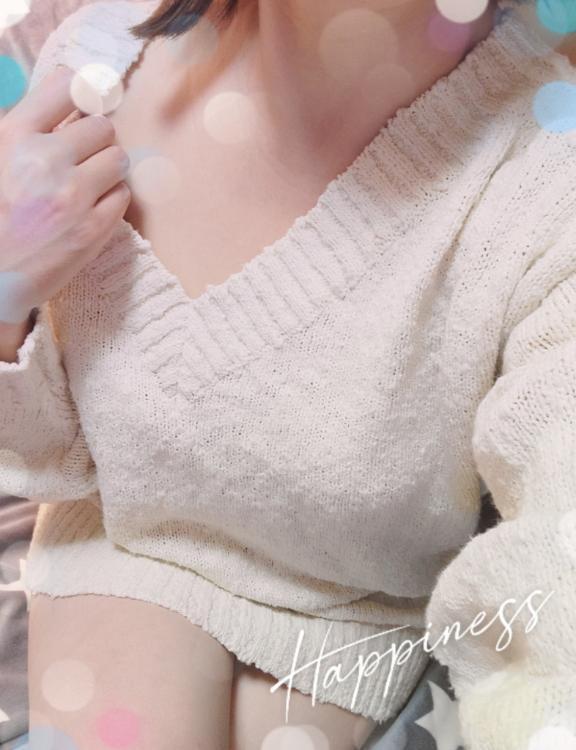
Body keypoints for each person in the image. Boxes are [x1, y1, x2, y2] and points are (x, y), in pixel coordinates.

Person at [0, 0, 575, 748]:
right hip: (118, 542)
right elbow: (45, 451)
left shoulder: (547, 181)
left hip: (351, 615)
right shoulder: (89, 74)